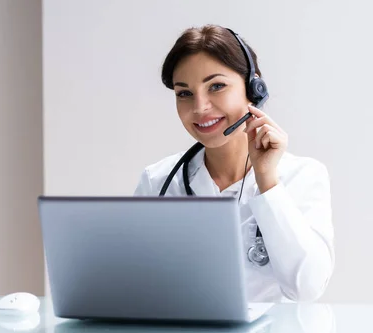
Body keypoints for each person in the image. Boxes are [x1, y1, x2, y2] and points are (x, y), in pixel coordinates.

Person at [133, 24, 334, 303]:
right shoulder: (158, 181)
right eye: (184, 93)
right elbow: (135, 285)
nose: (199, 107)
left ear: (254, 89)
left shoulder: (302, 175)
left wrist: (267, 181)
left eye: (216, 86)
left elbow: (307, 288)